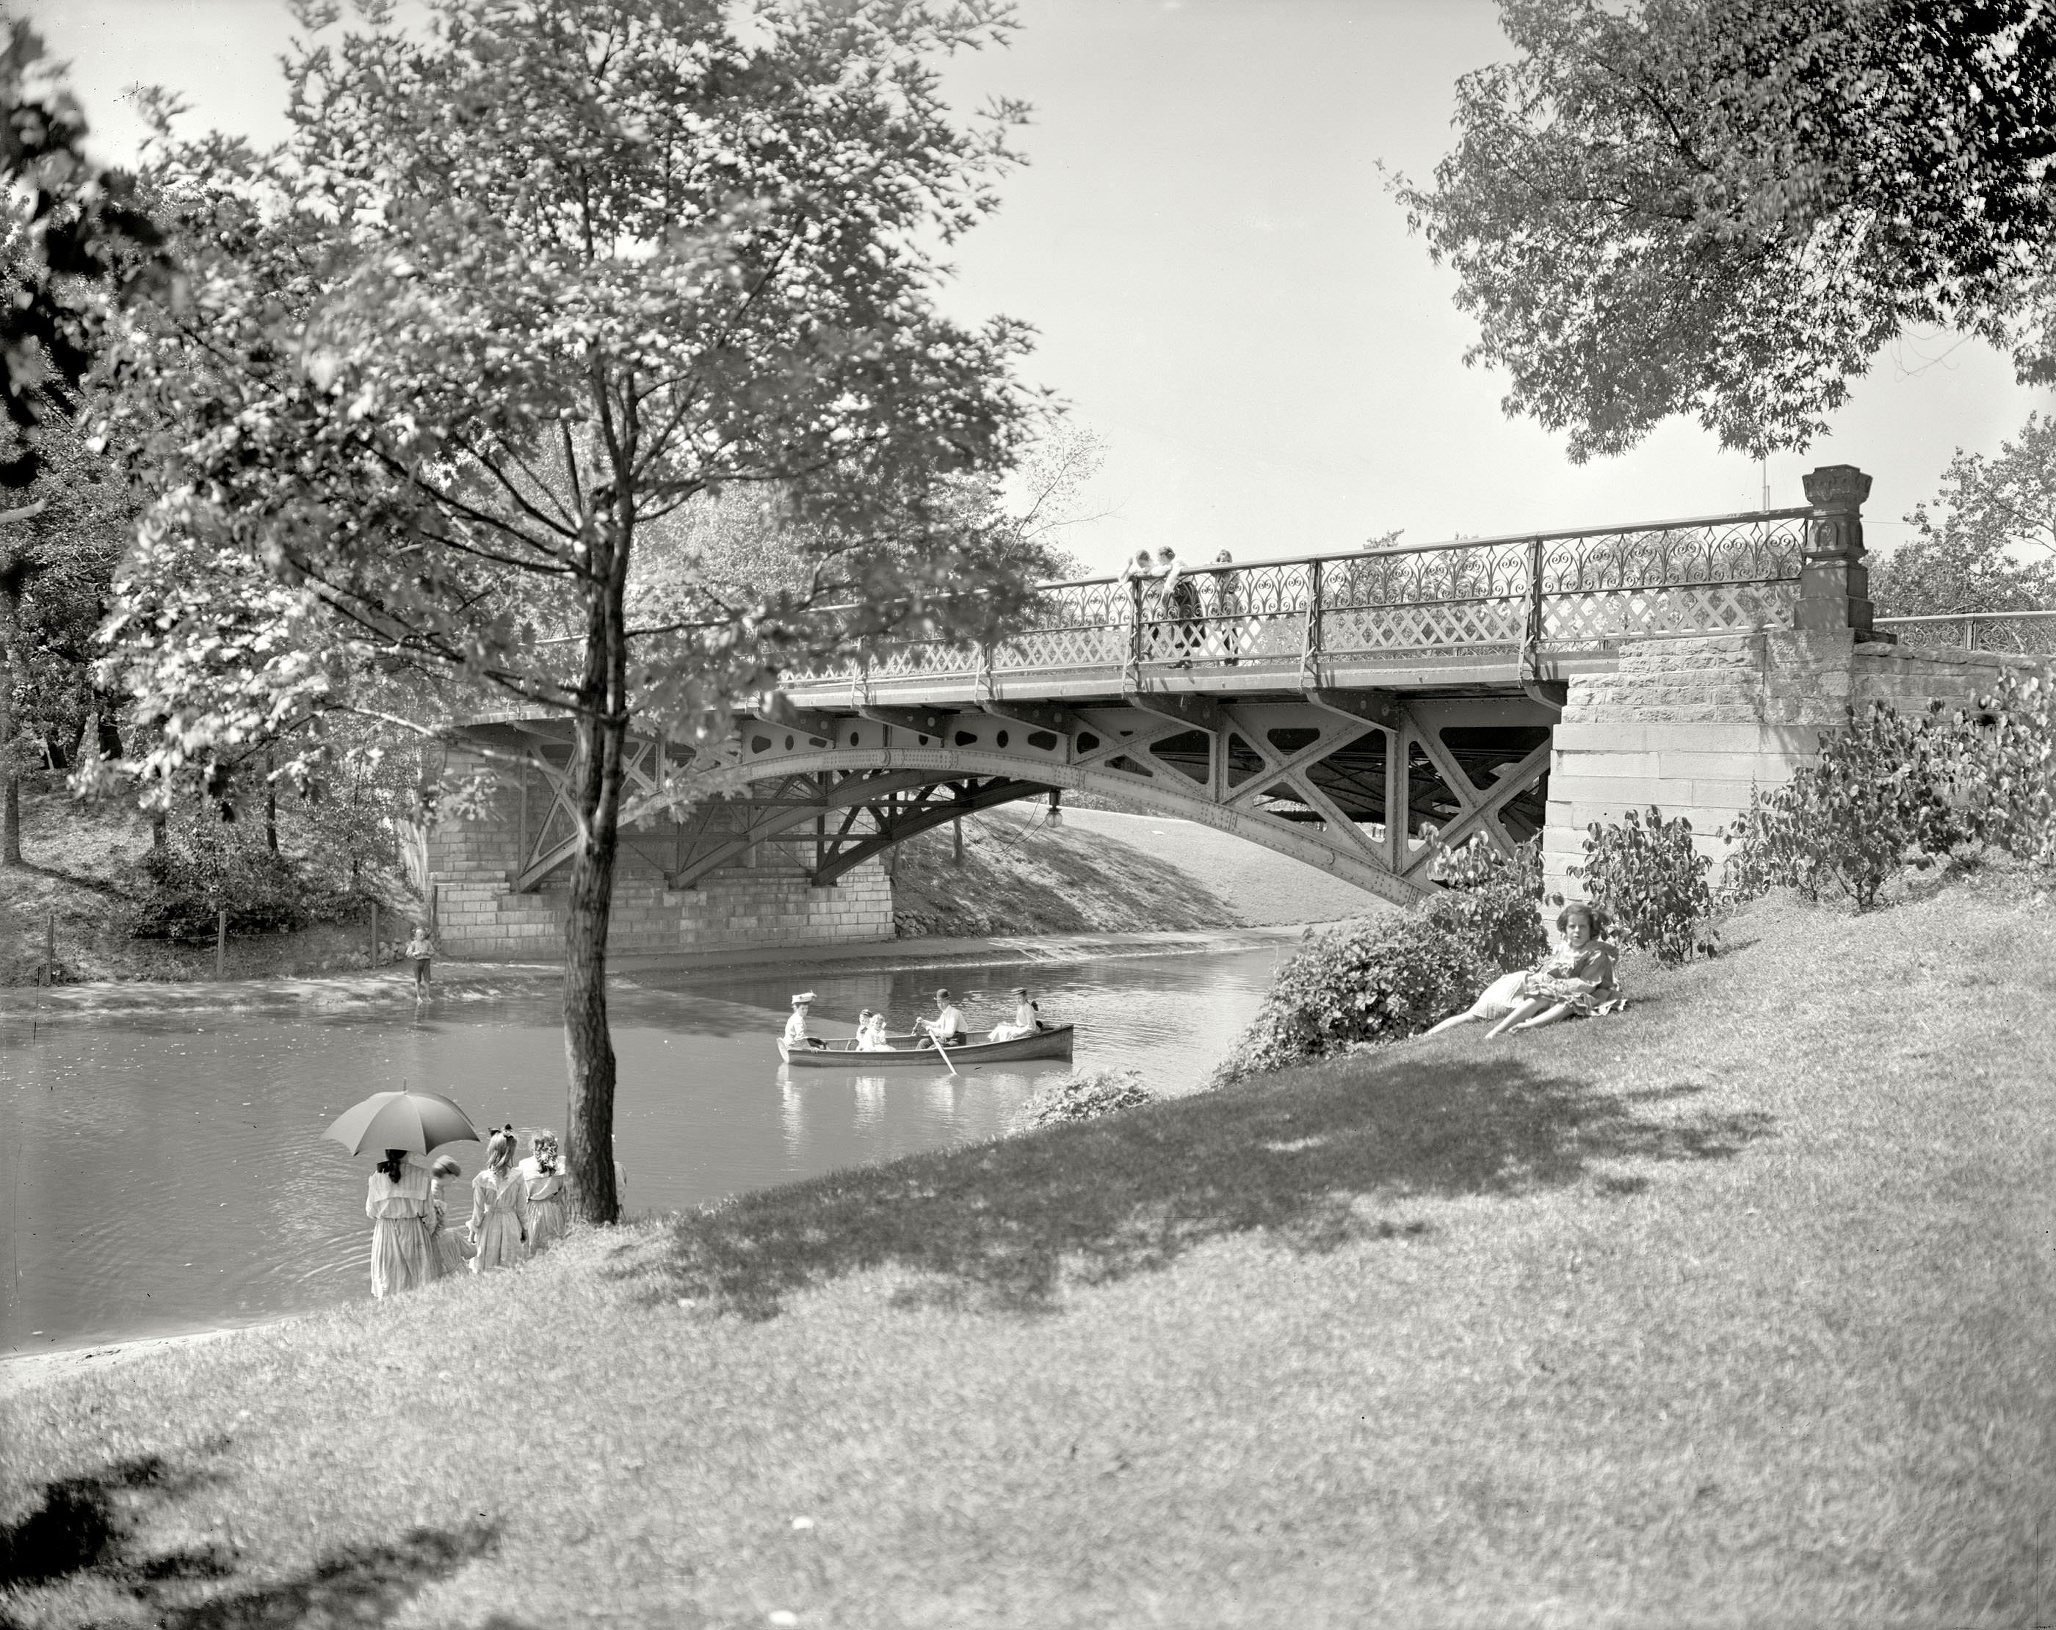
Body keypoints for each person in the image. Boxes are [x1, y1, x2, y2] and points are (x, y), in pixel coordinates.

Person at [1425, 903, 1622, 1038]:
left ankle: (1514, 1028)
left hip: (1582, 992)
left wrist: (1555, 985)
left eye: (1582, 927)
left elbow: (1585, 985)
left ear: (1591, 930)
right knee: (1474, 1013)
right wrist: (1552, 982)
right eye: (1572, 927)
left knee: (1559, 1000)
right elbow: (1552, 972)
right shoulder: (1565, 947)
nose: (1577, 931)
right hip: (1526, 983)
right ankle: (1427, 1035)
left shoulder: (1596, 954)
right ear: (1565, 929)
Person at [364, 1147, 434, 1299]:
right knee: (418, 1281)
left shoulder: (376, 1177)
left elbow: (371, 1212)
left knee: (388, 1281)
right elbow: (429, 1214)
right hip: (414, 1230)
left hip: (386, 1233)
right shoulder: (422, 1175)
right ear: (409, 1151)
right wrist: (429, 1234)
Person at [468, 1126, 530, 1272]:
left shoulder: (481, 1179)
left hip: (489, 1223)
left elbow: (477, 1212)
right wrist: (525, 1229)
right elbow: (521, 1209)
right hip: (510, 1222)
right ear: (511, 1153)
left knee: (487, 1261)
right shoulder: (518, 1176)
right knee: (510, 1262)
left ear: (492, 1151)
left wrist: (472, 1233)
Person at [521, 1130, 570, 1253]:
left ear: (534, 1147)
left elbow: (521, 1191)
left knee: (532, 1246)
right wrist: (562, 1192)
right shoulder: (562, 1162)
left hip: (533, 1208)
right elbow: (575, 1182)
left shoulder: (524, 1164)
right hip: (555, 1205)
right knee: (557, 1244)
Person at [426, 1155, 472, 1279]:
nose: (454, 1180)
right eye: (452, 1176)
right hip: (437, 1238)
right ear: (445, 1175)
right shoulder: (434, 1192)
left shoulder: (438, 1189)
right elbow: (434, 1221)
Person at [1159, 545, 1202, 664]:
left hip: (1185, 593)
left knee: (1186, 624)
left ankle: (1187, 659)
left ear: (1164, 556)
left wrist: (1165, 592)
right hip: (1178, 594)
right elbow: (1157, 570)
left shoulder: (1177, 562)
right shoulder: (1169, 565)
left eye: (1160, 558)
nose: (1159, 561)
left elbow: (1173, 576)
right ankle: (1181, 659)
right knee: (1178, 625)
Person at [1116, 548, 1159, 658]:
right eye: (1138, 564)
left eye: (1141, 563)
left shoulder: (1157, 565)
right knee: (1150, 622)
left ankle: (1150, 648)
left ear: (1147, 559)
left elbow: (1159, 571)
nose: (1140, 566)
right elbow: (1122, 578)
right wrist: (1128, 566)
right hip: (1149, 599)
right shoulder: (1141, 568)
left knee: (1156, 621)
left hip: (1160, 598)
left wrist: (1146, 572)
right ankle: (1148, 648)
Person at [1211, 550, 1243, 664]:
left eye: (1227, 561)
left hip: (1230, 600)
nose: (1225, 563)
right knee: (1224, 629)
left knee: (1232, 628)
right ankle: (1227, 654)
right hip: (1219, 601)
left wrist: (1227, 568)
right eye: (1223, 561)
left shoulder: (1233, 572)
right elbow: (1207, 565)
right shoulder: (1217, 572)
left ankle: (1235, 654)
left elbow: (1235, 582)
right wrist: (1217, 565)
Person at [404, 924, 434, 995]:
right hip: (417, 962)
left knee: (427, 979)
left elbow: (433, 952)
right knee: (417, 979)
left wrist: (427, 952)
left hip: (426, 962)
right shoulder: (413, 943)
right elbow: (408, 953)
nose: (422, 936)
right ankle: (418, 996)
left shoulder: (428, 943)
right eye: (420, 935)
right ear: (416, 936)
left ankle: (427, 995)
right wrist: (414, 953)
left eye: (423, 934)